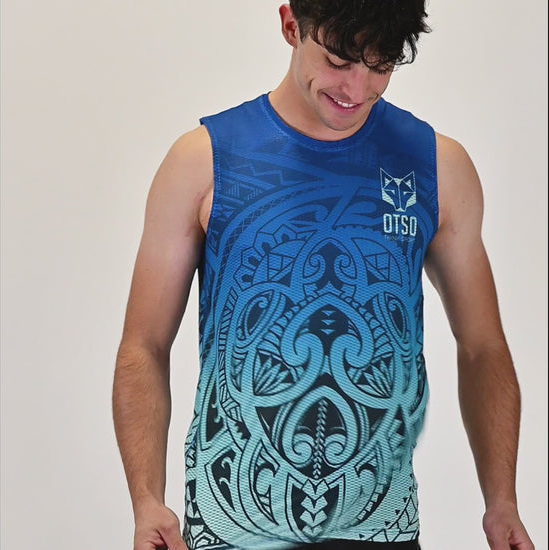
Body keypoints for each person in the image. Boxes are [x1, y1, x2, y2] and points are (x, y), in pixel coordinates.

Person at [112, 2, 535, 549]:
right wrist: (147, 500)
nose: (357, 88)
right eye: (338, 61)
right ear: (291, 26)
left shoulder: (436, 166)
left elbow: (482, 346)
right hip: (233, 526)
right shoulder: (204, 161)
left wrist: (501, 501)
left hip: (380, 526)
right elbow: (143, 346)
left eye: (380, 66)